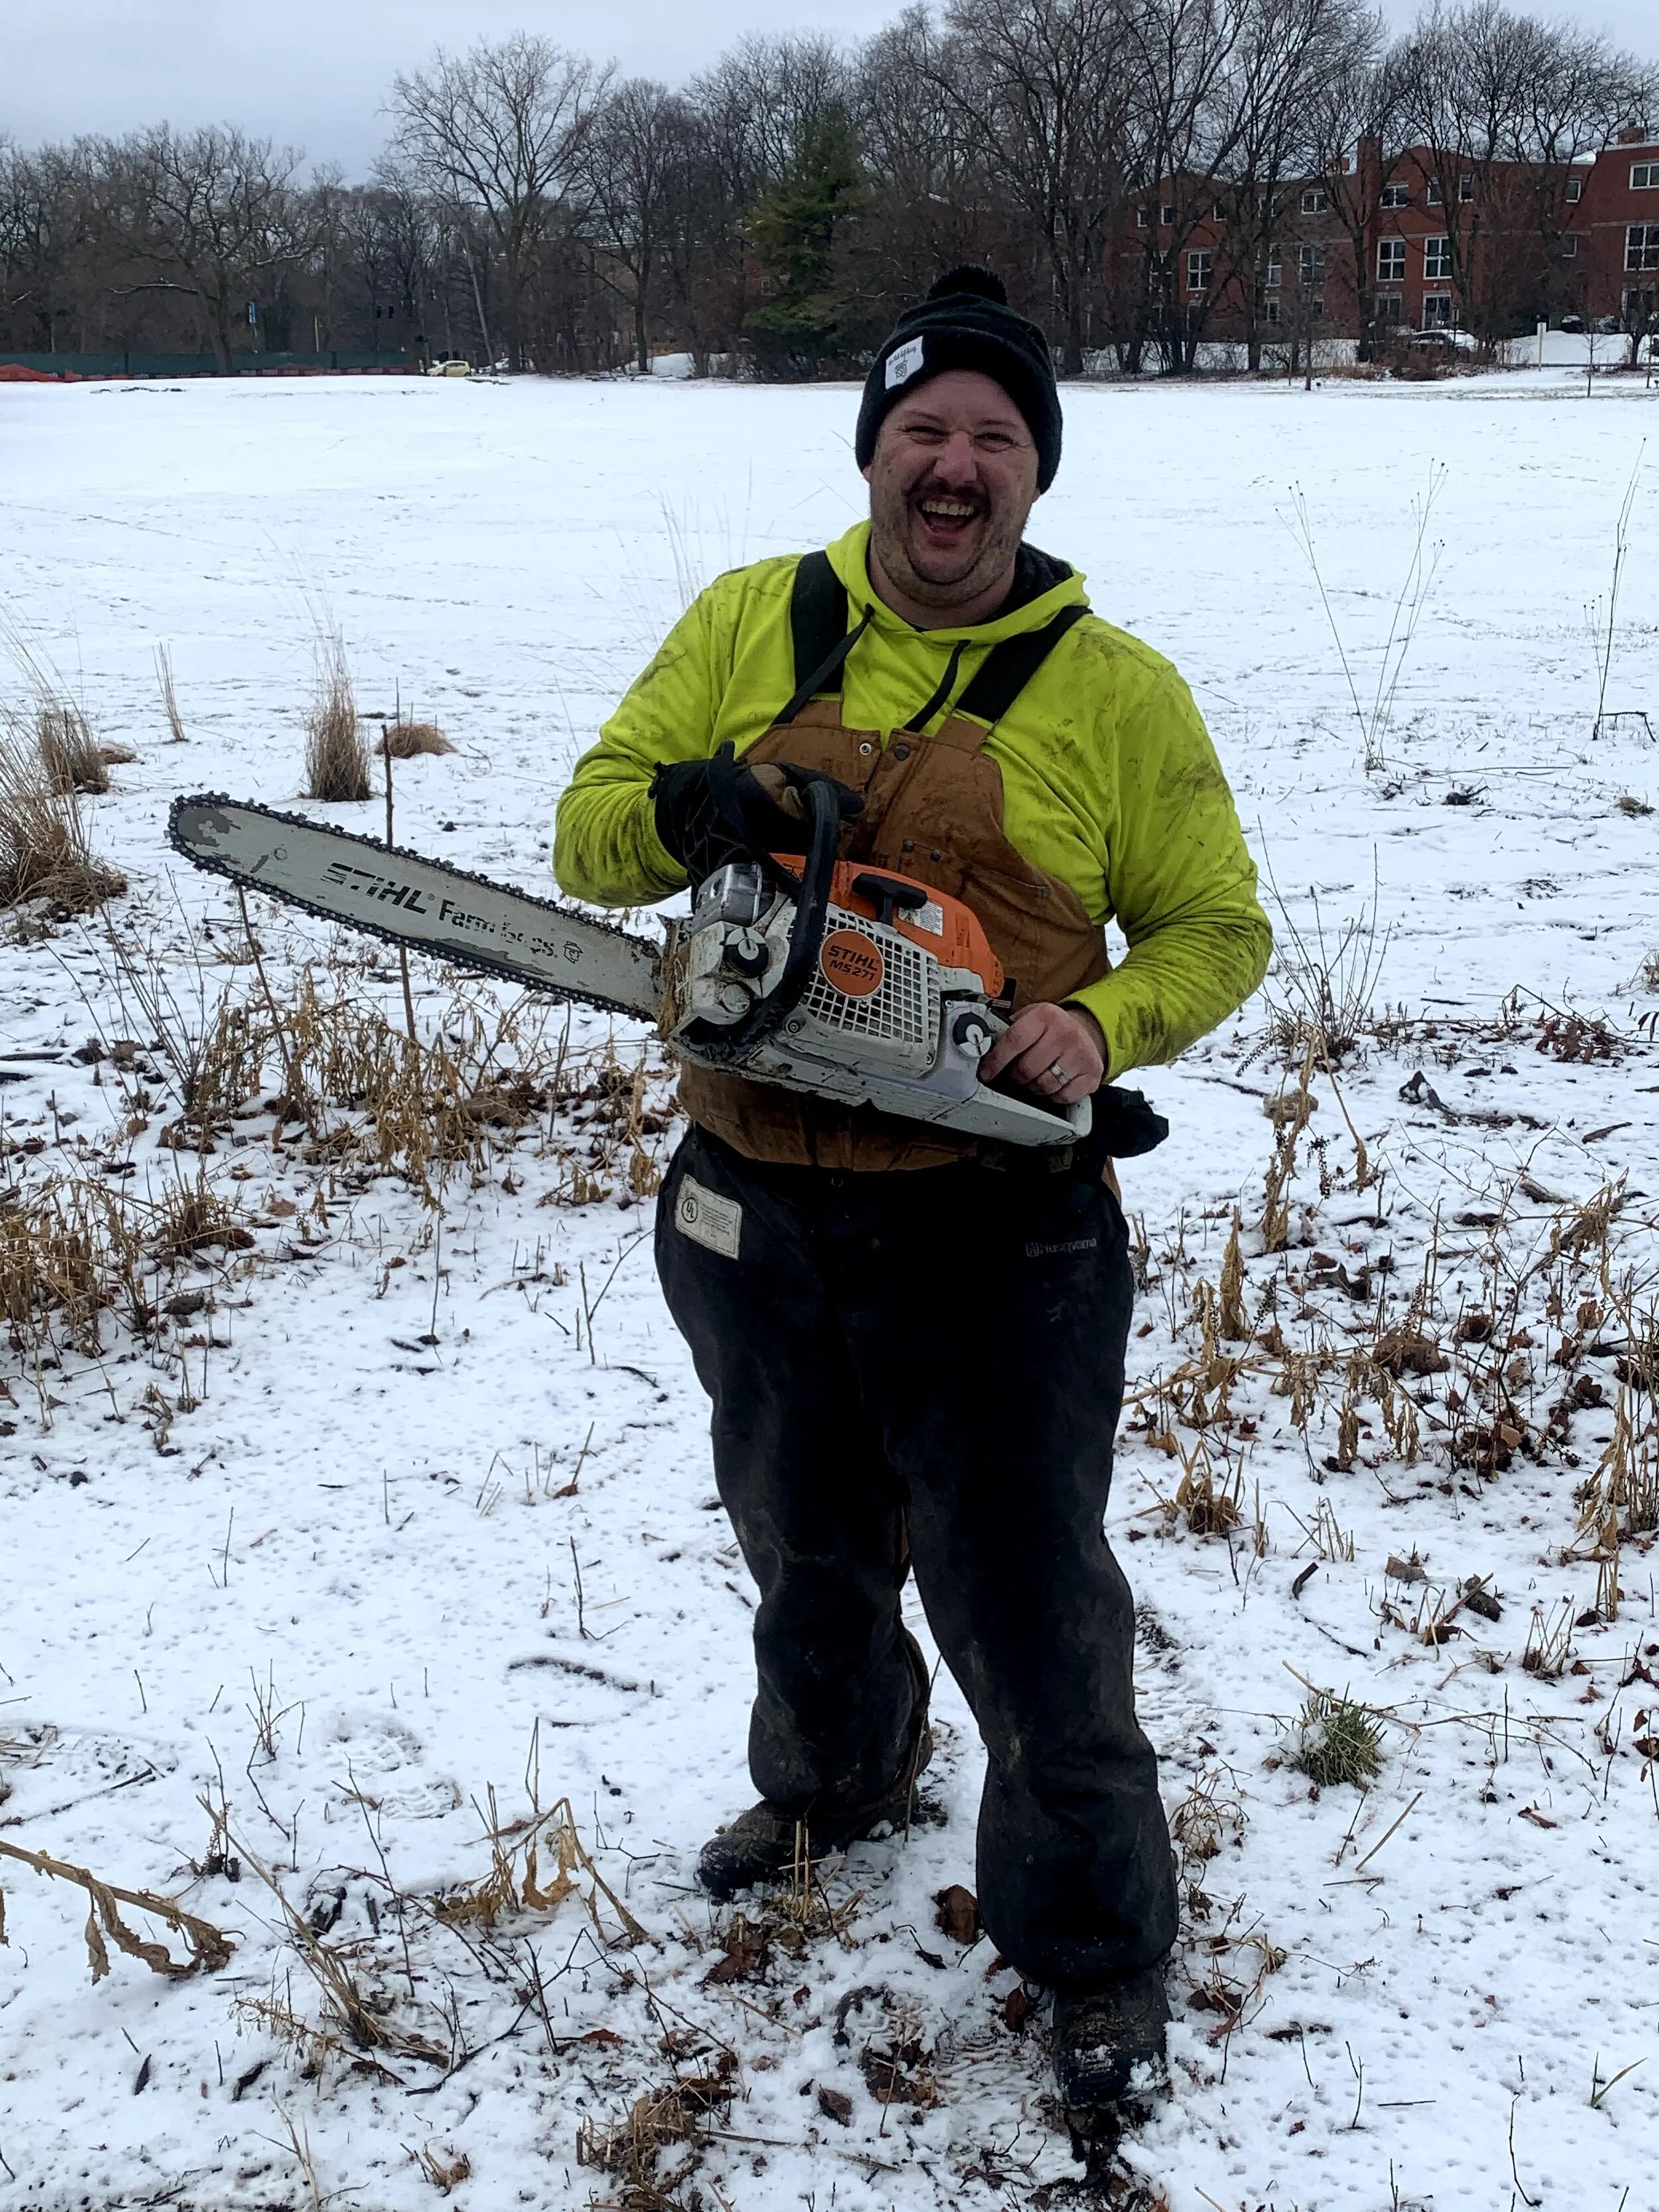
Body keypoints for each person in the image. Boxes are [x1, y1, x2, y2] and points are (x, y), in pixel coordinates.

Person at [554, 267, 1271, 2109]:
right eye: (922, 432)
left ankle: (1096, 1943)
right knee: (799, 1542)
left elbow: (1216, 927)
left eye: (992, 439)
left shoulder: (1114, 692)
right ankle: (834, 1781)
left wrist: (1097, 1026)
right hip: (748, 1189)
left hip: (993, 1228)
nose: (951, 468)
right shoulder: (750, 616)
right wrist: (693, 801)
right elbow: (587, 826)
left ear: (1033, 476)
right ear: (873, 451)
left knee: (1027, 1592)